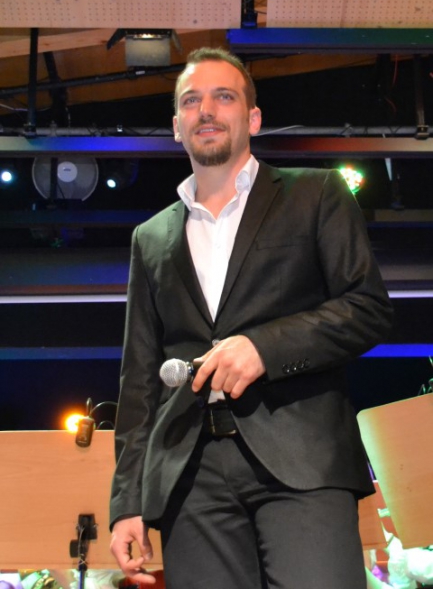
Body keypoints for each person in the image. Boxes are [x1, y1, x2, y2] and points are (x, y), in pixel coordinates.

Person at [109, 47, 394, 589]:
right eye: (191, 101)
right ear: (176, 126)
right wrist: (127, 503)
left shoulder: (316, 194)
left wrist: (265, 347)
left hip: (303, 461)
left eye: (224, 96)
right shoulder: (150, 238)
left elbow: (368, 308)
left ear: (253, 118)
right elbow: (139, 380)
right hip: (189, 475)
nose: (206, 110)